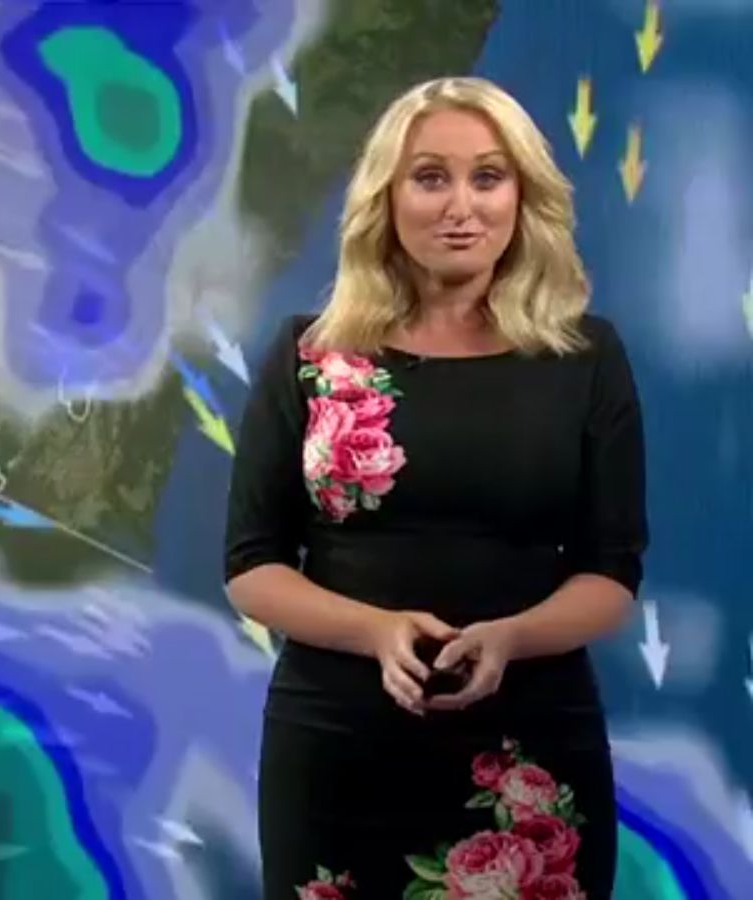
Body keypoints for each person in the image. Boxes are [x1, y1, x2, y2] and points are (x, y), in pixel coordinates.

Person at [223, 76, 647, 900]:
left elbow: (612, 572)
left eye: (487, 177)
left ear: (522, 196)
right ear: (386, 197)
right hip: (338, 749)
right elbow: (252, 566)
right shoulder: (309, 355)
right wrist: (375, 632)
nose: (461, 207)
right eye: (429, 178)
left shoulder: (586, 358)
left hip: (530, 749)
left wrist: (511, 639)